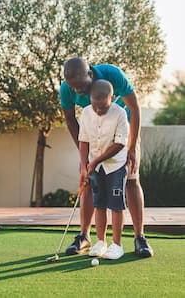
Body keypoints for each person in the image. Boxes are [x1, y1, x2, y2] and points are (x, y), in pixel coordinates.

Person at [59, 57, 153, 258]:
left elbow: (135, 108)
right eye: (73, 88)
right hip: (94, 135)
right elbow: (70, 119)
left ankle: (139, 237)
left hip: (124, 131)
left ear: (90, 75)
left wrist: (132, 147)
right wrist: (83, 158)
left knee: (131, 179)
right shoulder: (68, 88)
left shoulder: (113, 75)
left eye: (81, 86)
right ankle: (84, 237)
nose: (78, 91)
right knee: (92, 180)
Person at [79, 80, 128, 260]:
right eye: (95, 106)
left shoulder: (120, 114)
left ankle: (117, 245)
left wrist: (96, 160)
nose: (99, 110)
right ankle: (101, 242)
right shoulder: (85, 113)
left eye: (103, 107)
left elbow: (119, 144)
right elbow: (83, 140)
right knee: (98, 204)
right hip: (95, 166)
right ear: (90, 98)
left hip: (115, 166)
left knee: (116, 205)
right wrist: (84, 166)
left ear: (112, 98)